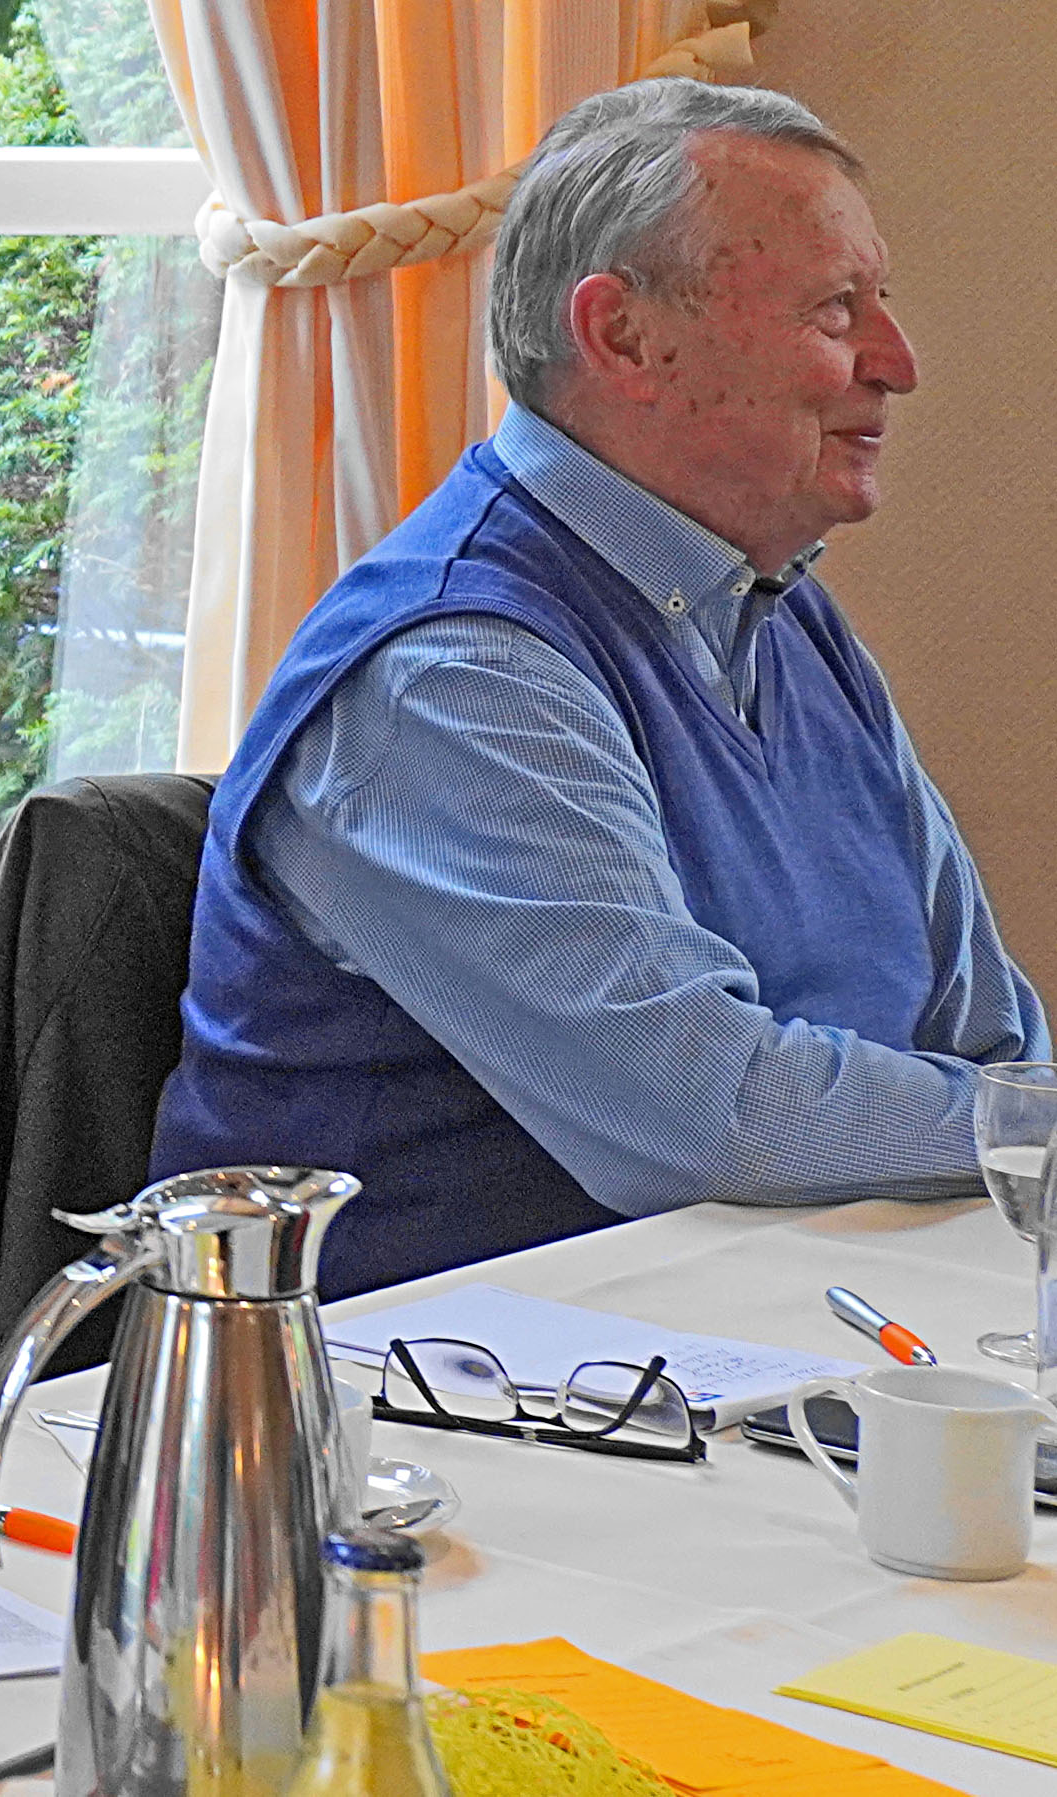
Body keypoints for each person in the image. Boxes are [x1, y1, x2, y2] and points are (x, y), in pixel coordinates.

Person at [159, 79, 1040, 1297]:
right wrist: (1018, 1129)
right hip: (416, 1427)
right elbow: (713, 1115)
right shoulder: (452, 668)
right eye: (839, 306)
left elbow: (989, 1039)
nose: (897, 361)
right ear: (623, 335)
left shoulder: (784, 615)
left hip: (751, 1356)